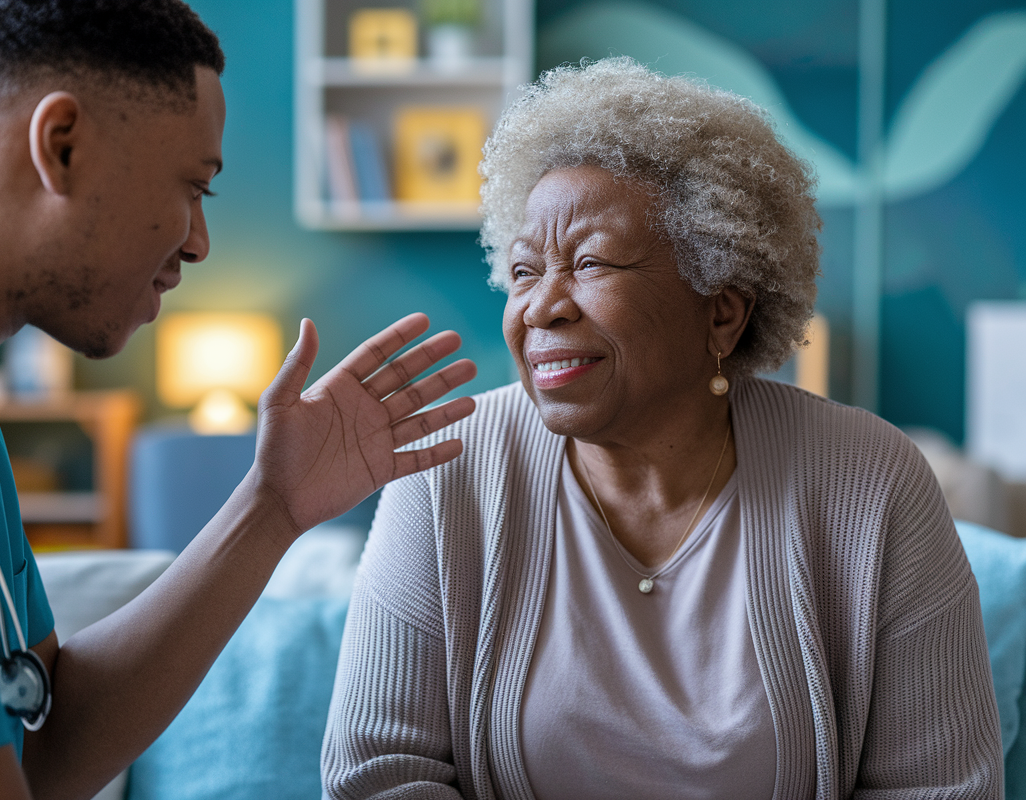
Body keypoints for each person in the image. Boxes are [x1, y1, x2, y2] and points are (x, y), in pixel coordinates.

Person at [0, 2, 479, 798]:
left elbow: (47, 742)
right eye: (194, 187)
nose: (198, 241)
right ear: (61, 146)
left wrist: (273, 506)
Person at [322, 57, 1003, 799]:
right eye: (523, 272)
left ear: (722, 309)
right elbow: (378, 776)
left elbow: (942, 787)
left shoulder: (871, 481)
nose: (541, 306)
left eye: (590, 262)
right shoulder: (448, 465)